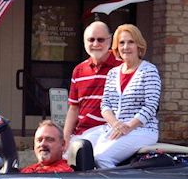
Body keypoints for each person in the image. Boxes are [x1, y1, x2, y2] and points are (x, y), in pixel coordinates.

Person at [94, 24, 161, 169]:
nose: (126, 47)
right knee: (85, 153)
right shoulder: (112, 73)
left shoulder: (149, 70)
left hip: (142, 130)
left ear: (139, 45)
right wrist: (116, 125)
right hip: (114, 129)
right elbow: (105, 105)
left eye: (131, 42)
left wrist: (128, 127)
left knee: (101, 157)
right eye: (122, 43)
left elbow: (151, 106)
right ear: (117, 47)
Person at [63, 21, 122, 151]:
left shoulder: (122, 67)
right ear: (85, 42)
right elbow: (74, 108)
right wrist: (66, 136)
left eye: (100, 40)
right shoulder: (79, 70)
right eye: (91, 40)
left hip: (109, 133)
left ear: (110, 40)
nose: (95, 44)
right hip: (82, 134)